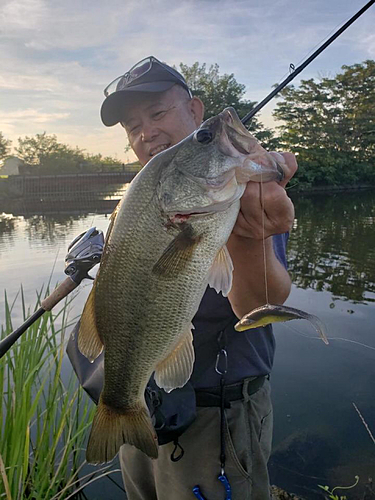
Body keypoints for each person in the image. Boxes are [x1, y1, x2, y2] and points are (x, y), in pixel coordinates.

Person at [99, 56, 297, 500]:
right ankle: (120, 409)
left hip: (217, 417)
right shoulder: (144, 196)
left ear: (195, 109)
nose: (145, 132)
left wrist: (247, 242)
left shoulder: (243, 188)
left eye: (157, 113)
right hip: (151, 405)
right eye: (132, 126)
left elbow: (259, 307)